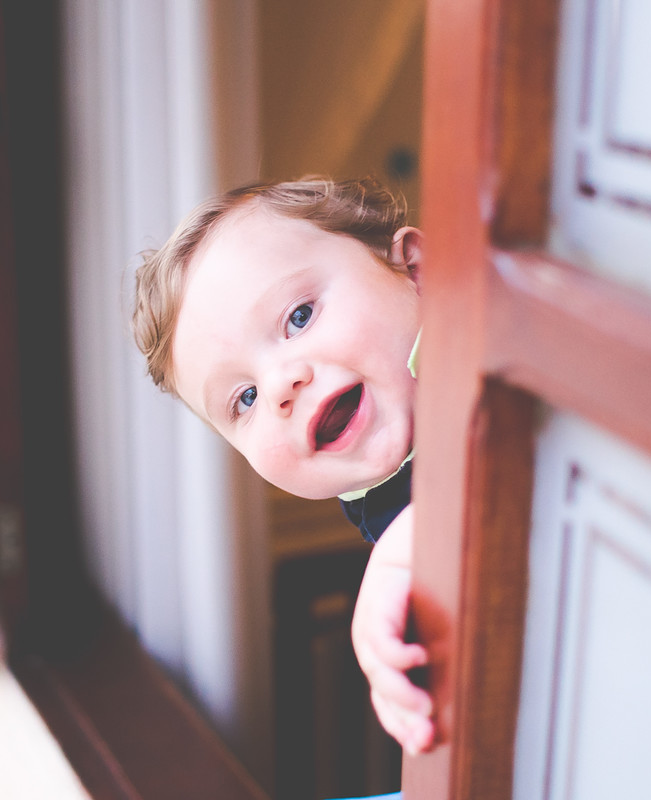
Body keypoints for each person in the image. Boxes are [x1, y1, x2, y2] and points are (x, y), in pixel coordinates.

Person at [132, 177, 435, 757]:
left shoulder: (487, 349)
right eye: (243, 400)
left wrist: (407, 550)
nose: (279, 385)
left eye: (299, 316)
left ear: (416, 273)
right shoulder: (376, 499)